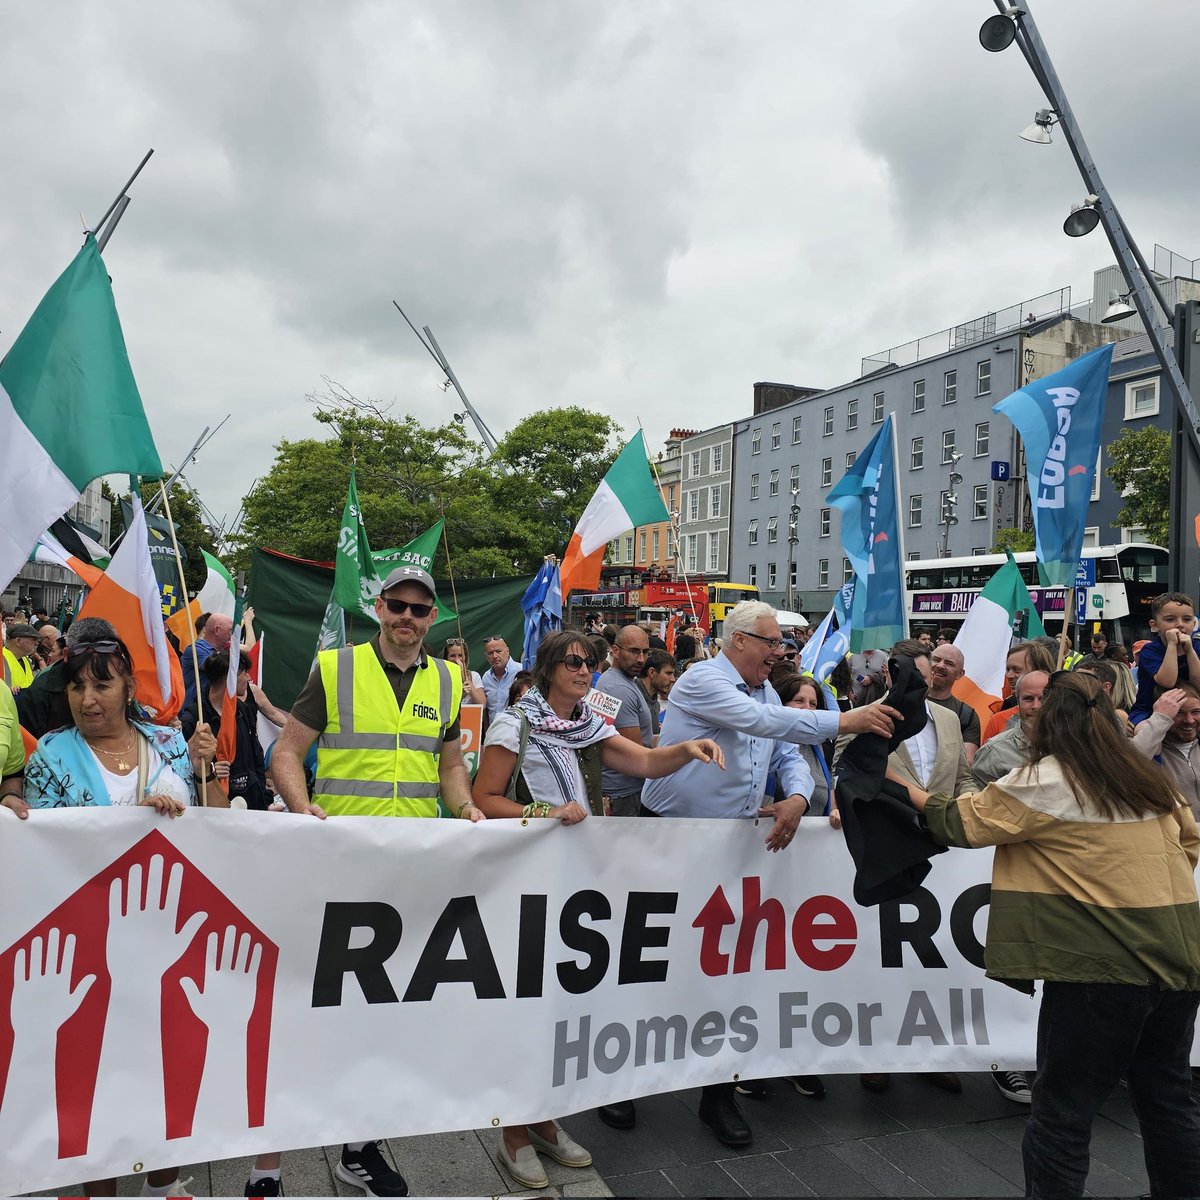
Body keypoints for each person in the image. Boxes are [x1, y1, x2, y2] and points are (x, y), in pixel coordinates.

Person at [897, 670, 1200, 1199]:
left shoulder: (1049, 779)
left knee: (1063, 1109)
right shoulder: (1145, 777)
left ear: (1050, 723)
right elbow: (1189, 844)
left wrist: (896, 782)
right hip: (1178, 963)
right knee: (1167, 1097)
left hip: (1099, 972)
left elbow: (961, 822)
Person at [634, 601, 899, 1147]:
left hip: (732, 844)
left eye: (781, 643)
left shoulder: (766, 691)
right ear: (739, 640)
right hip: (670, 837)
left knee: (726, 968)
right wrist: (845, 720)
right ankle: (619, 1086)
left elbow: (786, 752)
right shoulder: (704, 680)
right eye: (772, 642)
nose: (780, 652)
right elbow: (762, 723)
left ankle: (717, 1096)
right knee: (650, 963)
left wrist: (798, 796)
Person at [471, 630, 724, 1189]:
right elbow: (484, 799)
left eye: (590, 661)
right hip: (525, 879)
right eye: (573, 662)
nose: (585, 669)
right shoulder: (515, 724)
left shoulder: (587, 725)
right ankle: (513, 1131)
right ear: (547, 669)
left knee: (559, 1003)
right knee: (525, 1003)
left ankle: (543, 1119)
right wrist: (545, 813)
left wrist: (688, 749)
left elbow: (647, 763)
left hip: (575, 880)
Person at [268, 564, 481, 1199]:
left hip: (412, 874)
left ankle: (359, 1147)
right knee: (319, 1007)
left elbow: (449, 764)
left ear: (432, 617)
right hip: (341, 868)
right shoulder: (336, 668)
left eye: (419, 609)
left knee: (390, 1015)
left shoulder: (448, 680)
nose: (407, 618)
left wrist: (466, 808)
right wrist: (302, 808)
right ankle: (272, 1151)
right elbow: (286, 752)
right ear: (379, 607)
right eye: (397, 605)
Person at [840, 639, 976, 1099]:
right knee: (882, 963)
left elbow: (961, 778)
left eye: (930, 671)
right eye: (917, 672)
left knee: (931, 964)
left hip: (941, 856)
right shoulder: (867, 715)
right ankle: (877, 1056)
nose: (926, 678)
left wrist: (963, 811)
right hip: (887, 851)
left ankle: (928, 1055)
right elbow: (847, 769)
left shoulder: (949, 720)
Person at [182, 651, 270, 809]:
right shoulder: (193, 719)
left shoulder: (243, 710)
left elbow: (257, 756)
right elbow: (183, 769)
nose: (249, 678)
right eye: (245, 673)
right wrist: (210, 770)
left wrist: (264, 797)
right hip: (215, 813)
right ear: (231, 677)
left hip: (253, 809)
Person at [17, 617, 126, 738]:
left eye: (102, 687)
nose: (88, 701)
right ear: (66, 655)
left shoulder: (122, 683)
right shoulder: (38, 695)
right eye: (78, 688)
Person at [596, 624, 654, 816]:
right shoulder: (619, 688)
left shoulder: (616, 681)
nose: (641, 659)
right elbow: (635, 753)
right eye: (634, 651)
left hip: (620, 789)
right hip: (624, 792)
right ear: (615, 651)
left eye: (645, 652)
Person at [1131, 685, 1200, 821]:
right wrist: (1160, 719)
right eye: (1179, 713)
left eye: (1196, 712)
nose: (1189, 720)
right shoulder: (1153, 750)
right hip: (1175, 833)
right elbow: (1130, 764)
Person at [1131, 591, 1200, 724]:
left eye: (1186, 619)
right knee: (1144, 731)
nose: (1180, 624)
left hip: (1191, 713)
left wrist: (1190, 651)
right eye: (1170, 619)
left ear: (1194, 623)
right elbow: (1167, 682)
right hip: (1149, 712)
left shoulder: (1197, 647)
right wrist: (1172, 645)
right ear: (1155, 625)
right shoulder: (1150, 650)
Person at [971, 671, 1048, 789]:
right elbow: (979, 798)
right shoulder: (993, 753)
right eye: (1028, 699)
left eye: (1043, 698)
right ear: (1018, 702)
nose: (1036, 706)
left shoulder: (1069, 746)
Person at [980, 640, 1057, 744]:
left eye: (1016, 670)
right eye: (1008, 669)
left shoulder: (1065, 717)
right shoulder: (998, 720)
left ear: (1039, 670)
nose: (1009, 676)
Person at [926, 643, 981, 764]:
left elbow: (967, 762)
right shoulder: (905, 702)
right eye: (936, 660)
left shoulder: (967, 716)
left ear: (960, 674)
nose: (940, 665)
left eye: (949, 663)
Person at [181, 612, 233, 711]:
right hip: (194, 712)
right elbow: (214, 666)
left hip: (212, 710)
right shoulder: (195, 649)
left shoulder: (221, 650)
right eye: (230, 630)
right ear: (217, 630)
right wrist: (233, 650)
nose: (232, 634)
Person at [481, 635, 521, 718]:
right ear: (486, 656)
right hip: (493, 726)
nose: (494, 656)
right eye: (490, 653)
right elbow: (487, 710)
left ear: (507, 651)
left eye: (498, 651)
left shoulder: (521, 671)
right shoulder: (486, 678)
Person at [442, 637, 486, 706]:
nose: (457, 659)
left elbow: (482, 705)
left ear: (465, 657)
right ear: (446, 658)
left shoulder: (474, 676)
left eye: (460, 655)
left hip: (469, 713)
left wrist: (464, 675)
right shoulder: (441, 676)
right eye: (452, 656)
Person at [1, 622, 39, 692]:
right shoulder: (1, 659)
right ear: (18, 641)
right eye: (33, 639)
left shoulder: (26, 660)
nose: (37, 643)